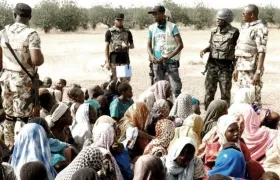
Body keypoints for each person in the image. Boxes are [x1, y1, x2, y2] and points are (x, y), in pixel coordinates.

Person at [0, 3, 44, 148]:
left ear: (14, 15)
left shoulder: (3, 32)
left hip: (6, 77)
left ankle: (9, 145)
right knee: (23, 117)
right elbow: (37, 60)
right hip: (23, 80)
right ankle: (22, 147)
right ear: (29, 17)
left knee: (9, 114)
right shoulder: (31, 34)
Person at [200, 8, 239, 110]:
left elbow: (237, 50)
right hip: (212, 65)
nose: (217, 21)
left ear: (226, 20)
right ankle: (208, 112)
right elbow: (212, 45)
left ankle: (224, 114)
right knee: (209, 92)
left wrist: (236, 68)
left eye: (220, 19)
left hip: (226, 67)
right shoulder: (213, 31)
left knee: (225, 93)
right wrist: (205, 50)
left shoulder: (234, 32)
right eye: (217, 19)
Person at [233, 4, 269, 106]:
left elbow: (261, 51)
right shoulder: (245, 28)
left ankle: (256, 120)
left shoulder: (260, 28)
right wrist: (236, 68)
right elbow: (240, 50)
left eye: (244, 13)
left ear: (252, 15)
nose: (242, 15)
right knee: (242, 96)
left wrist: (258, 72)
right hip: (242, 68)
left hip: (252, 69)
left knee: (254, 97)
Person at [147, 5, 184, 97]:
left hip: (171, 62)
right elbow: (148, 45)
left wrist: (168, 57)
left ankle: (177, 108)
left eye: (156, 14)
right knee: (158, 89)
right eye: (153, 14)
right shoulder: (152, 28)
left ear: (163, 14)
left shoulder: (172, 27)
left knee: (176, 88)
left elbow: (180, 45)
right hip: (157, 62)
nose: (154, 16)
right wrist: (152, 56)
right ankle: (160, 108)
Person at [105, 13, 134, 83]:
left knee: (125, 83)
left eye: (121, 20)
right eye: (118, 20)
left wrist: (127, 46)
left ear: (123, 20)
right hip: (113, 60)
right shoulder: (109, 32)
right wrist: (107, 62)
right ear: (115, 20)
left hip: (125, 59)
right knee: (112, 82)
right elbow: (106, 47)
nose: (119, 21)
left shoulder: (127, 32)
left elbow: (132, 46)